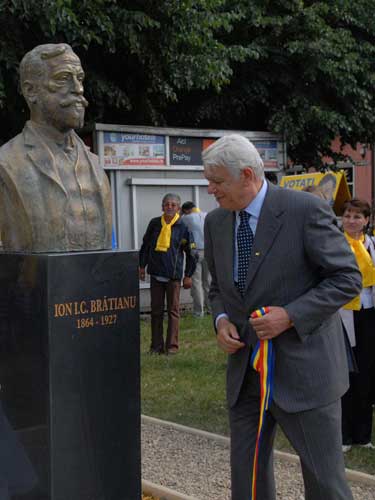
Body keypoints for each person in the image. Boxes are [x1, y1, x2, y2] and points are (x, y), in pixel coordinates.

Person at [202, 134, 361, 500]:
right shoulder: (216, 223)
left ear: (246, 175)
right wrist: (221, 319)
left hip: (306, 373)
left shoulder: (304, 210)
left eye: (217, 181)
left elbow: (347, 278)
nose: (210, 189)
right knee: (248, 483)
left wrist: (290, 315)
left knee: (325, 485)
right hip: (246, 375)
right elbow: (217, 289)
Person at [0, 43, 112, 252]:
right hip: (35, 280)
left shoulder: (95, 164)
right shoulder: (7, 162)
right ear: (31, 91)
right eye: (63, 79)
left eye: (79, 79)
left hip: (96, 278)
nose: (78, 89)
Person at [139, 193, 196, 354]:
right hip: (156, 274)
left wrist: (188, 275)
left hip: (174, 277)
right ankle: (156, 346)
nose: (169, 207)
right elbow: (146, 245)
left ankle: (172, 347)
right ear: (162, 207)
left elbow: (191, 253)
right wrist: (141, 266)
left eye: (173, 204)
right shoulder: (154, 224)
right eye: (166, 204)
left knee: (173, 311)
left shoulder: (183, 227)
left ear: (178, 208)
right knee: (156, 311)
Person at [339, 199, 375, 452]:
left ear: (366, 220)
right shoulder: (335, 243)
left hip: (369, 312)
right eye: (348, 216)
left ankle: (363, 435)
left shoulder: (372, 245)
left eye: (357, 216)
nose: (352, 220)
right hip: (342, 314)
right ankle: (343, 434)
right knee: (345, 372)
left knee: (367, 373)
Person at [181, 201, 211, 317]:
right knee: (208, 281)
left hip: (195, 251)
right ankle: (211, 309)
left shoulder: (186, 218)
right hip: (209, 250)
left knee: (196, 282)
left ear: (186, 210)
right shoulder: (207, 215)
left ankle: (199, 312)